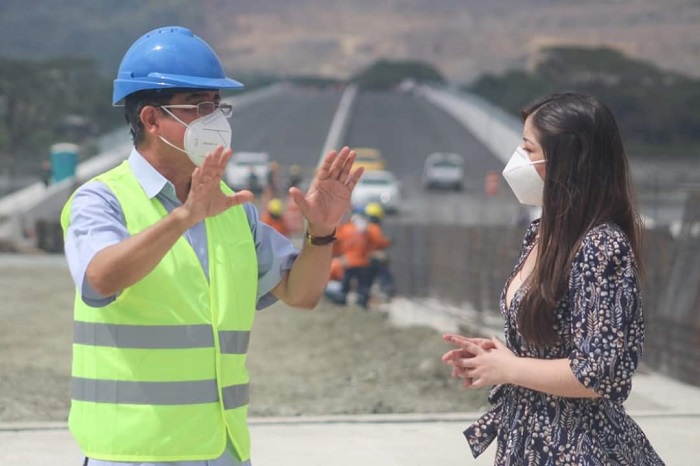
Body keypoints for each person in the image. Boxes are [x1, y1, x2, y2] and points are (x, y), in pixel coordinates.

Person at [60, 26, 362, 466]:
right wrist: (183, 217)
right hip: (132, 452)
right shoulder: (102, 199)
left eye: (219, 106)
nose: (215, 119)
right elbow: (100, 279)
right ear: (150, 119)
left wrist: (321, 234)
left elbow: (301, 293)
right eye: (199, 107)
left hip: (220, 451)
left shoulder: (233, 208)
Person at [441, 92, 664, 465]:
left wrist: (511, 368)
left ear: (566, 160)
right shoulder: (541, 233)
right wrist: (501, 358)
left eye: (528, 150)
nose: (518, 160)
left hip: (578, 448)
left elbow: (601, 373)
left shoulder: (601, 245)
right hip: (528, 438)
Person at [363, 202, 395, 299]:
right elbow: (378, 242)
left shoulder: (364, 227)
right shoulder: (373, 228)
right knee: (384, 275)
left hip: (365, 257)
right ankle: (386, 291)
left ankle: (366, 295)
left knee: (367, 279)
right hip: (373, 256)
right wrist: (388, 242)